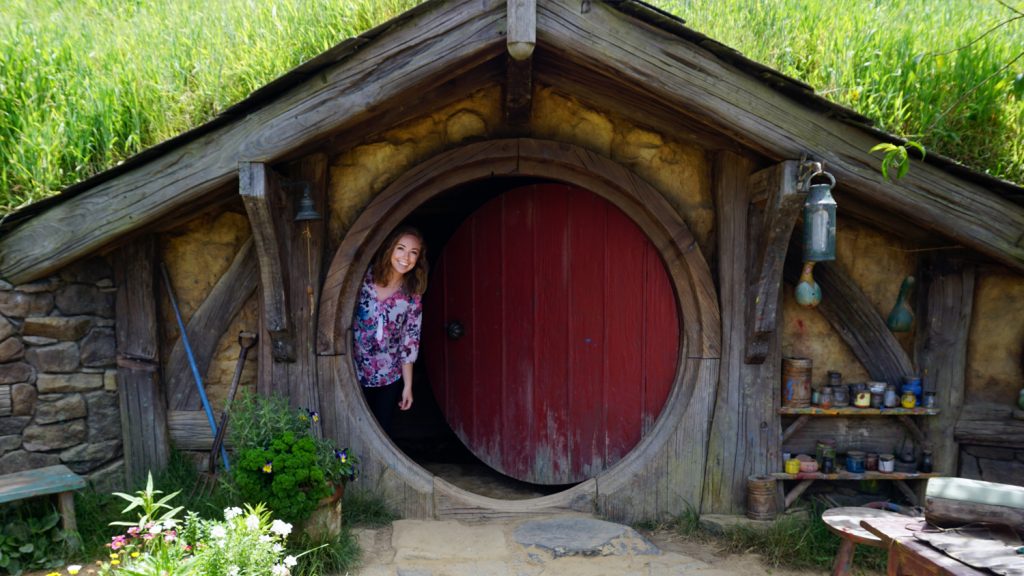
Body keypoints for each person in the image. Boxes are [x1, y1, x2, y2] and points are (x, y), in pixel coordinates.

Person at [352, 226, 427, 435]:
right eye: (401, 248)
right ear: (390, 250)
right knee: (353, 428)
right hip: (352, 369)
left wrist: (407, 385)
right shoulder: (363, 280)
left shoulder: (412, 294)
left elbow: (409, 340)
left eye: (414, 252)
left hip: (388, 375)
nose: (406, 257)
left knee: (381, 431)